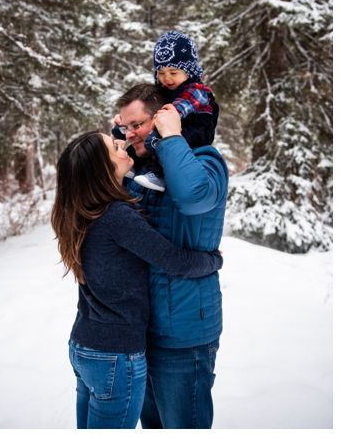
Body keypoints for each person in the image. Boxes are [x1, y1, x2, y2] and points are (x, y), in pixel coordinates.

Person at [51, 130, 223, 429]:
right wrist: (214, 259)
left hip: (84, 347)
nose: (124, 144)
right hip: (115, 356)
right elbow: (175, 262)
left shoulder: (79, 210)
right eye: (115, 146)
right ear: (100, 169)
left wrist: (125, 133)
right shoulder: (116, 215)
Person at [114, 83, 228, 429]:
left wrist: (172, 137)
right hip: (141, 331)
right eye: (125, 126)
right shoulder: (140, 169)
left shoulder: (206, 160)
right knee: (152, 426)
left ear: (166, 117)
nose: (131, 133)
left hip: (183, 331)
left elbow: (193, 198)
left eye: (138, 125)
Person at [114, 31, 219, 192]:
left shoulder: (196, 90)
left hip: (198, 128)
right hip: (177, 123)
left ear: (188, 71)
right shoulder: (168, 89)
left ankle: (159, 174)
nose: (167, 78)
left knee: (163, 143)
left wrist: (164, 119)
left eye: (173, 73)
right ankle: (132, 165)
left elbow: (177, 109)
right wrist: (125, 123)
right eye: (161, 73)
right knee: (148, 140)